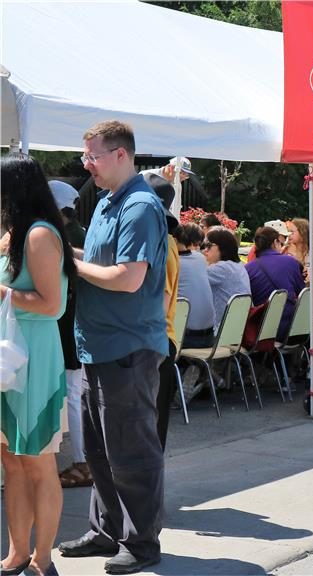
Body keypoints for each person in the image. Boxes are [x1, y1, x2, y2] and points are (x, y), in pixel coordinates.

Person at [59, 120, 168, 574]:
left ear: (121, 154)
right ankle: (107, 530)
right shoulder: (107, 201)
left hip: (126, 349)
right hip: (100, 346)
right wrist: (63, 252)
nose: (87, 166)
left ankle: (141, 543)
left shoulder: (140, 206)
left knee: (131, 452)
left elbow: (127, 277)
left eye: (94, 156)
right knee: (101, 452)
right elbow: (102, 261)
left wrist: (70, 265)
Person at [1, 154, 76, 576]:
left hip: (33, 362)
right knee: (12, 459)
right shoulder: (14, 234)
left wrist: (2, 295)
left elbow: (53, 305)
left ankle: (42, 558)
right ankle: (16, 552)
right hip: (10, 360)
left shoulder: (39, 236)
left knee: (37, 463)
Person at [48, 181, 91, 489]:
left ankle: (81, 461)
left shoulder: (62, 238)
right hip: (76, 326)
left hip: (66, 327)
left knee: (73, 397)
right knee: (75, 396)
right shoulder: (81, 232)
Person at [142, 173, 181, 452]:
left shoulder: (163, 245)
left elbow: (161, 303)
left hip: (154, 343)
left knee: (150, 435)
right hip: (156, 342)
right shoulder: (161, 242)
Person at [247, 227, 305, 342]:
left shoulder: (248, 269)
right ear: (275, 242)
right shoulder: (291, 262)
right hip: (291, 328)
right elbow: (302, 293)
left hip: (262, 331)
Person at [173, 224, 215, 349]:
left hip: (184, 338)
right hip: (209, 336)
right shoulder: (201, 259)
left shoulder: (173, 263)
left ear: (174, 240)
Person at [203, 226, 251, 333]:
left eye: (208, 246)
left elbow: (193, 280)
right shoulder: (238, 266)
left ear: (222, 247)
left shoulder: (220, 269)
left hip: (219, 333)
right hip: (237, 331)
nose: (204, 250)